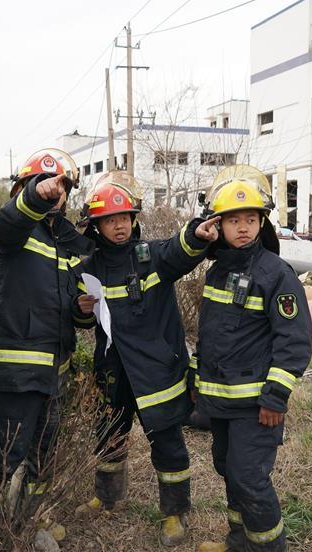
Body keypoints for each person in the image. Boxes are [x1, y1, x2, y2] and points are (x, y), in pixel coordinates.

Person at [72, 175, 220, 546]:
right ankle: (106, 498)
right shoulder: (88, 270)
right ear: (96, 227)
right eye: (110, 220)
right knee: (108, 437)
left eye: (124, 217)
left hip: (157, 372)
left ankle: (173, 514)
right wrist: (80, 309)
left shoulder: (152, 256)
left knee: (167, 443)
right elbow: (80, 319)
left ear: (133, 220)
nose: (119, 225)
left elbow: (179, 250)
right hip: (113, 372)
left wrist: (196, 234)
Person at [0, 149, 93, 551]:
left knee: (42, 452)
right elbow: (10, 220)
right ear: (21, 188)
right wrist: (36, 196)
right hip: (16, 371)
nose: (54, 191)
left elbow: (67, 306)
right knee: (1, 450)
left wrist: (82, 310)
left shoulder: (64, 243)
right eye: (41, 184)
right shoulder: (14, 230)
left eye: (61, 186)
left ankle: (29, 518)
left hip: (55, 371)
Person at [190, 169, 312, 552]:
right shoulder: (217, 272)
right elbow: (211, 337)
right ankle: (238, 542)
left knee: (249, 478)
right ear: (219, 225)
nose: (242, 228)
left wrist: (275, 397)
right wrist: (197, 384)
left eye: (250, 219)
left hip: (257, 407)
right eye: (233, 220)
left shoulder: (275, 274)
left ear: (262, 223)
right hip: (220, 402)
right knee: (229, 470)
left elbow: (294, 340)